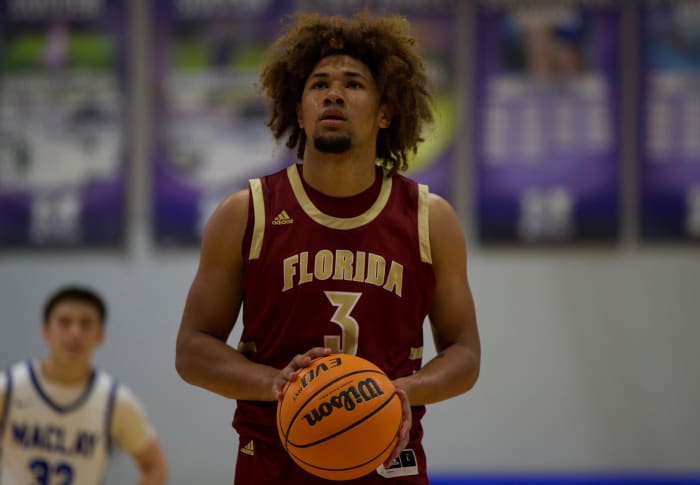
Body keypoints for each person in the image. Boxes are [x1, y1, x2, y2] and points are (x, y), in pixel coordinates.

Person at [175, 11, 481, 484]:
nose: (333, 93)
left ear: (385, 111)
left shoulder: (429, 218)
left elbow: (464, 353)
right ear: (300, 109)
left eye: (354, 84)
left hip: (387, 464)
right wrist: (273, 382)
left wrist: (402, 391)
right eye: (319, 84)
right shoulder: (247, 212)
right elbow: (192, 350)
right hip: (273, 465)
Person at [0, 286, 168, 485]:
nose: (75, 332)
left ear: (101, 335)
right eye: (64, 322)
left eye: (86, 324)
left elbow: (155, 467)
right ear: (46, 331)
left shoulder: (115, 400)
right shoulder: (8, 388)